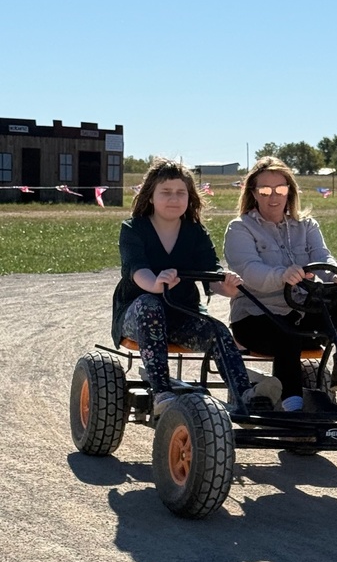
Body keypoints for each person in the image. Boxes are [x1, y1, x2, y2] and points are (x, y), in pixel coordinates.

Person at [112, 159, 281, 416]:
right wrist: (156, 285)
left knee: (217, 330)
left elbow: (212, 274)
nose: (174, 199)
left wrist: (229, 286)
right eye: (166, 192)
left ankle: (245, 396)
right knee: (150, 305)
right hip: (138, 316)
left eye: (181, 193)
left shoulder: (195, 232)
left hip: (183, 316)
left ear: (190, 198)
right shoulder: (133, 229)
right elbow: (137, 271)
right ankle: (162, 393)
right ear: (150, 197)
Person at [223, 156, 337, 412]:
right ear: (253, 193)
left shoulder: (307, 225)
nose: (273, 196)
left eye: (280, 189)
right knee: (286, 329)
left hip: (303, 313)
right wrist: (282, 274)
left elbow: (322, 257)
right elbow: (249, 271)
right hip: (256, 320)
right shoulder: (239, 228)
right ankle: (292, 409)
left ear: (289, 191)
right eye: (265, 190)